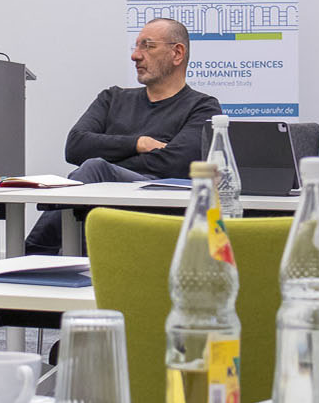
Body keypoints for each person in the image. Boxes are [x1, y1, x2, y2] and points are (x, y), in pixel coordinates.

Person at [23, 17, 222, 254]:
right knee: (93, 173)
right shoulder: (112, 98)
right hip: (101, 212)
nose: (135, 56)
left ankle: (31, 254)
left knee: (95, 168)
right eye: (136, 47)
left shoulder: (203, 107)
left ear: (177, 53)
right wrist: (138, 143)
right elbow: (75, 146)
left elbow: (176, 163)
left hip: (157, 210)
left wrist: (108, 165)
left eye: (148, 46)